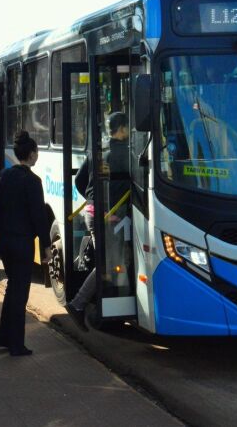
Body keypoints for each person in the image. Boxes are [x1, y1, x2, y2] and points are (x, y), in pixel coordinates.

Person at [67, 112, 130, 332]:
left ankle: (105, 310)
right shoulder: (124, 152)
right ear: (121, 129)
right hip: (109, 215)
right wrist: (106, 207)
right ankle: (79, 304)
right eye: (127, 127)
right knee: (107, 264)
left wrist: (92, 200)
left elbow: (79, 179)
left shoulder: (98, 151)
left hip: (93, 212)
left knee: (110, 262)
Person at [0, 131, 52, 356]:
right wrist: (46, 246)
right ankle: (16, 344)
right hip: (22, 242)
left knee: (12, 289)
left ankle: (4, 336)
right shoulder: (32, 181)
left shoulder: (5, 176)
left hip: (6, 240)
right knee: (20, 293)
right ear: (31, 154)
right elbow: (38, 216)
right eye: (36, 152)